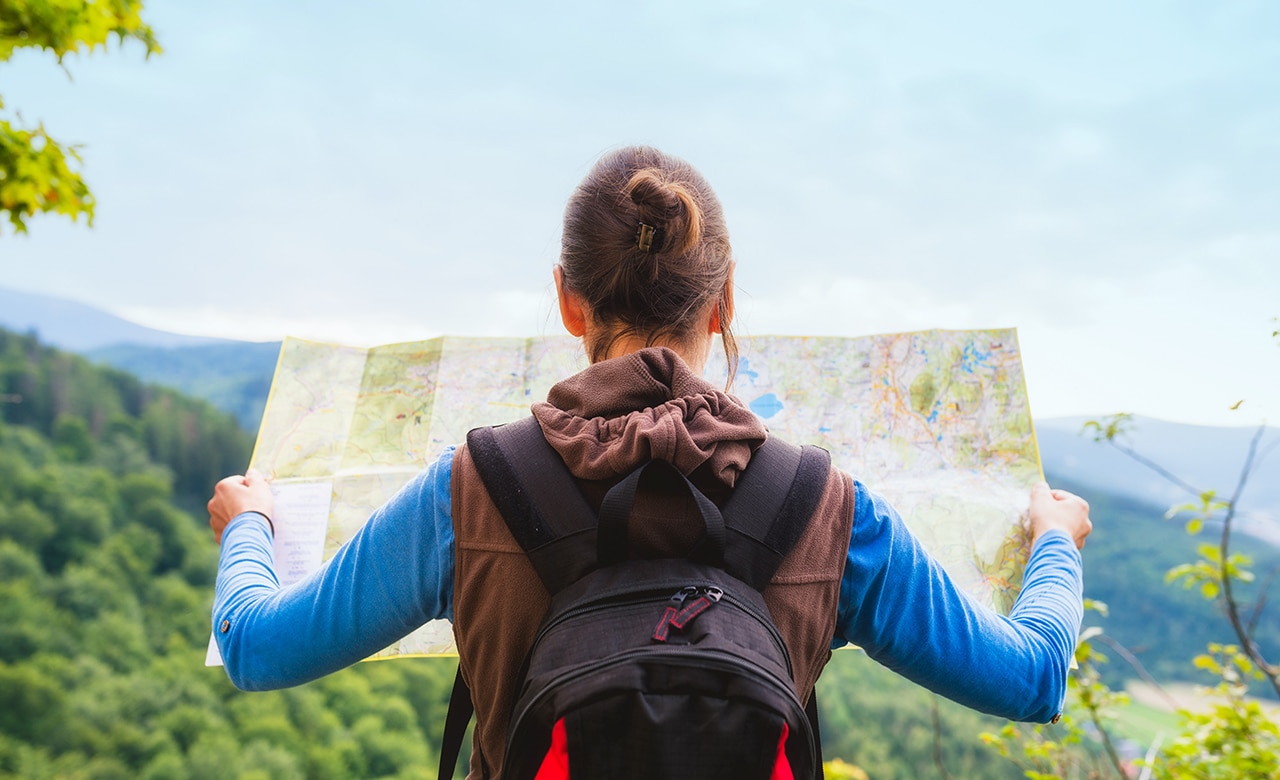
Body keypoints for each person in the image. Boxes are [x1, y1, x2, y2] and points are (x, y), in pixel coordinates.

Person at [208, 145, 1092, 778]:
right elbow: (1033, 676)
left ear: (565, 298)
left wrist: (249, 525)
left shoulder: (470, 494)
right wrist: (1055, 540)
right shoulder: (831, 513)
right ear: (725, 301)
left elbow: (256, 646)